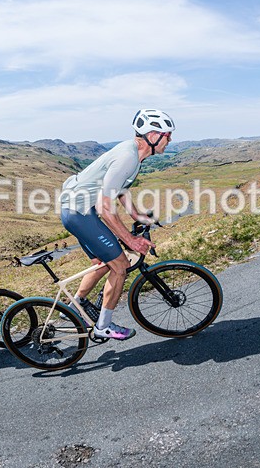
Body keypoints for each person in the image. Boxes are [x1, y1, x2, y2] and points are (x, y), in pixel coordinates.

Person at [58, 109, 174, 340]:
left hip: (76, 210)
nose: (169, 140)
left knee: (102, 262)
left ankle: (74, 307)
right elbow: (105, 207)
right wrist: (130, 240)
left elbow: (119, 188)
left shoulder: (133, 154)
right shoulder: (128, 157)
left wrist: (136, 215)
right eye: (166, 135)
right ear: (152, 136)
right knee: (120, 267)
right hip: (81, 212)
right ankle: (104, 326)